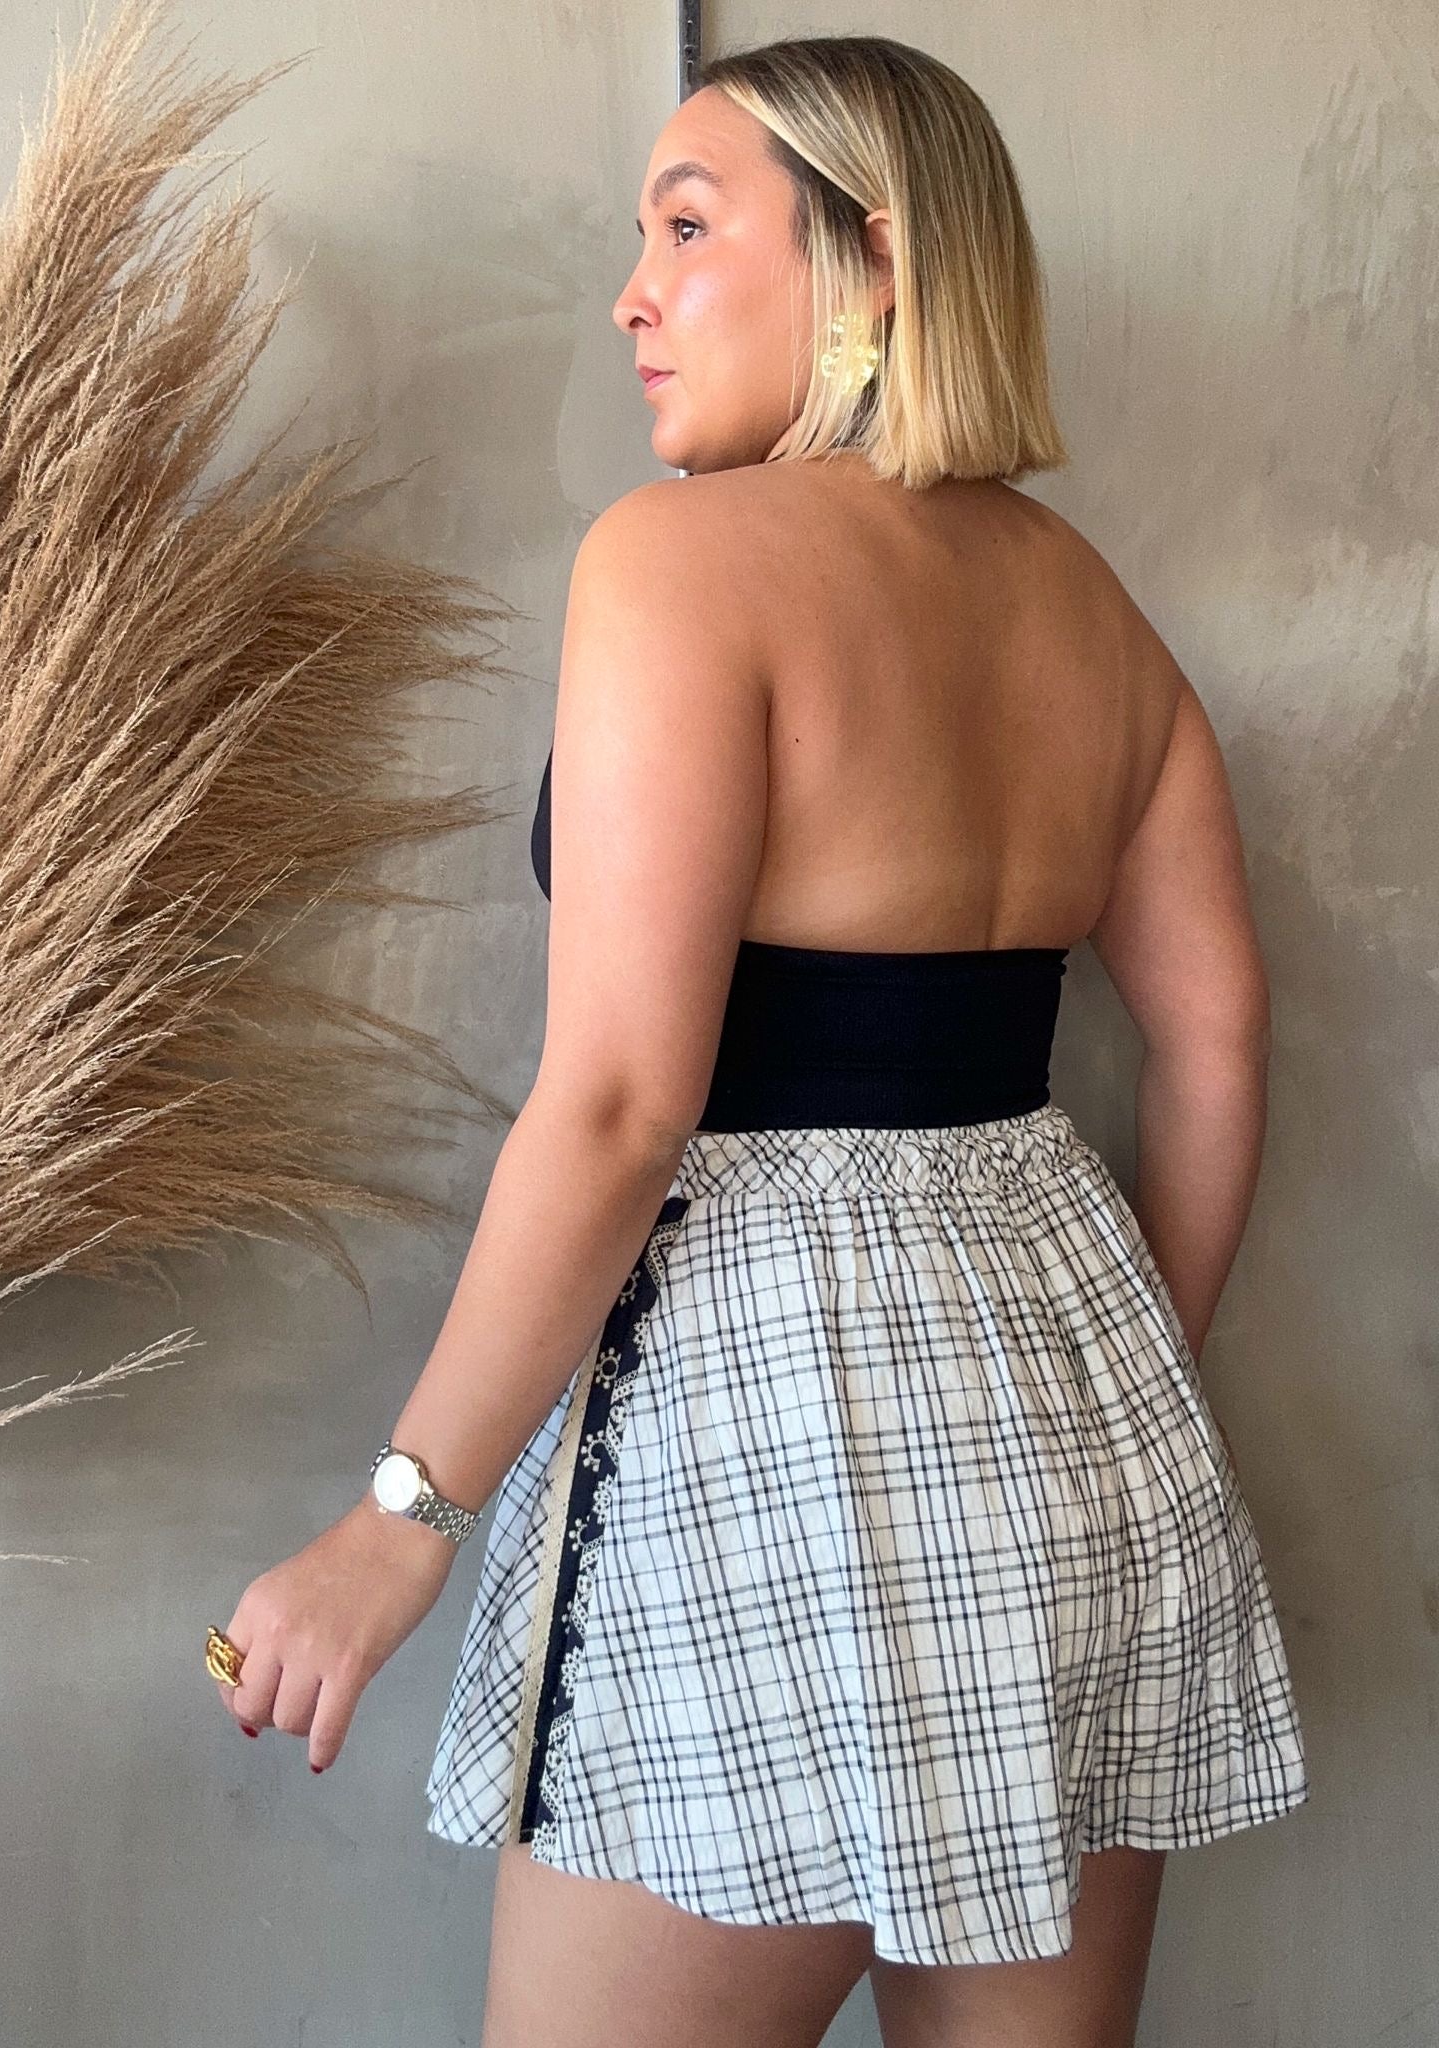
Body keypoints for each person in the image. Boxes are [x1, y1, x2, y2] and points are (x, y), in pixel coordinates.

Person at [209, 33, 1309, 2048]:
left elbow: (626, 1104)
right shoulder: (1094, 611)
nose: (632, 292)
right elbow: (1219, 1039)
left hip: (752, 1446)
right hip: (1083, 1441)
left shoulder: (677, 563)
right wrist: (1117, 1396)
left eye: (690, 227)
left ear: (873, 260)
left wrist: (399, 1522)